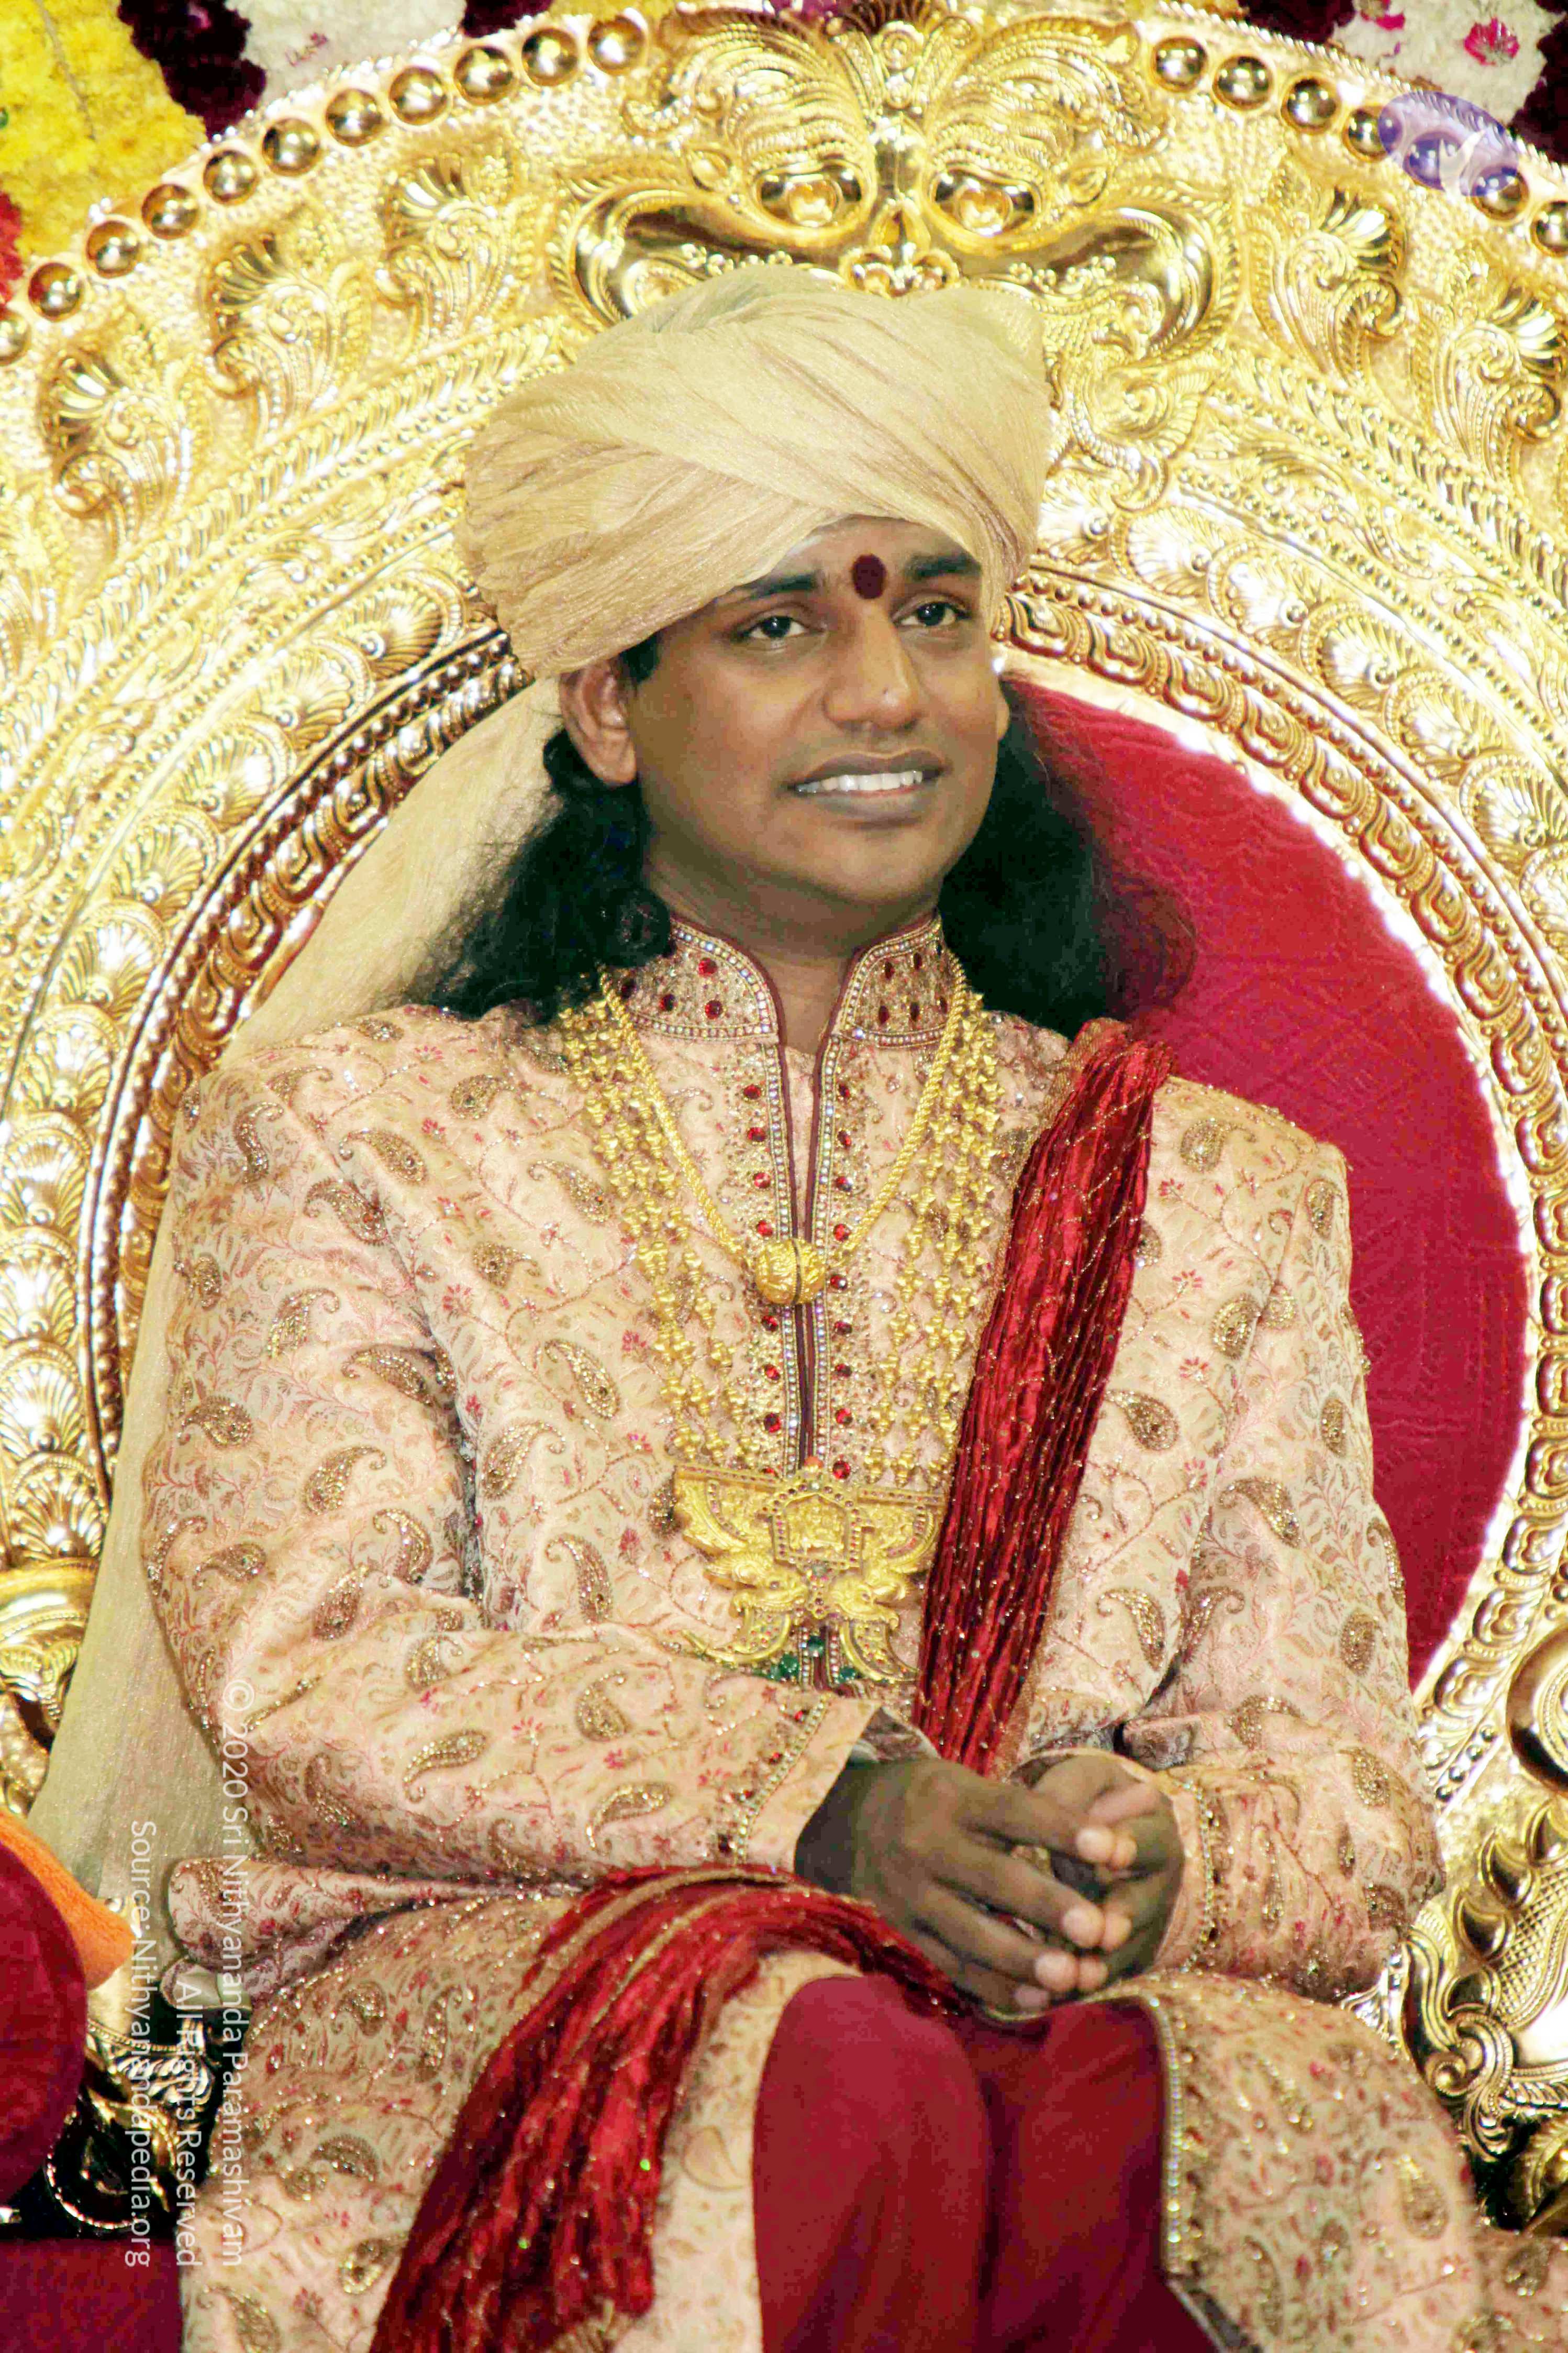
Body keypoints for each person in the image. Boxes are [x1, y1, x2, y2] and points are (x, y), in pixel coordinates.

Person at [142, 271, 1561, 2353]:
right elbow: (311, 1671)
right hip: (514, 1969)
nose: (887, 694)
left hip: (1053, 2007)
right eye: (778, 625)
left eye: (939, 615)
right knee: (823, 2070)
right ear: (608, 704)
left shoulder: (1213, 1192)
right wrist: (819, 1803)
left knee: (1226, 2110)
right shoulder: (358, 1136)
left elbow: (1340, 1802)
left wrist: (1147, 1864)